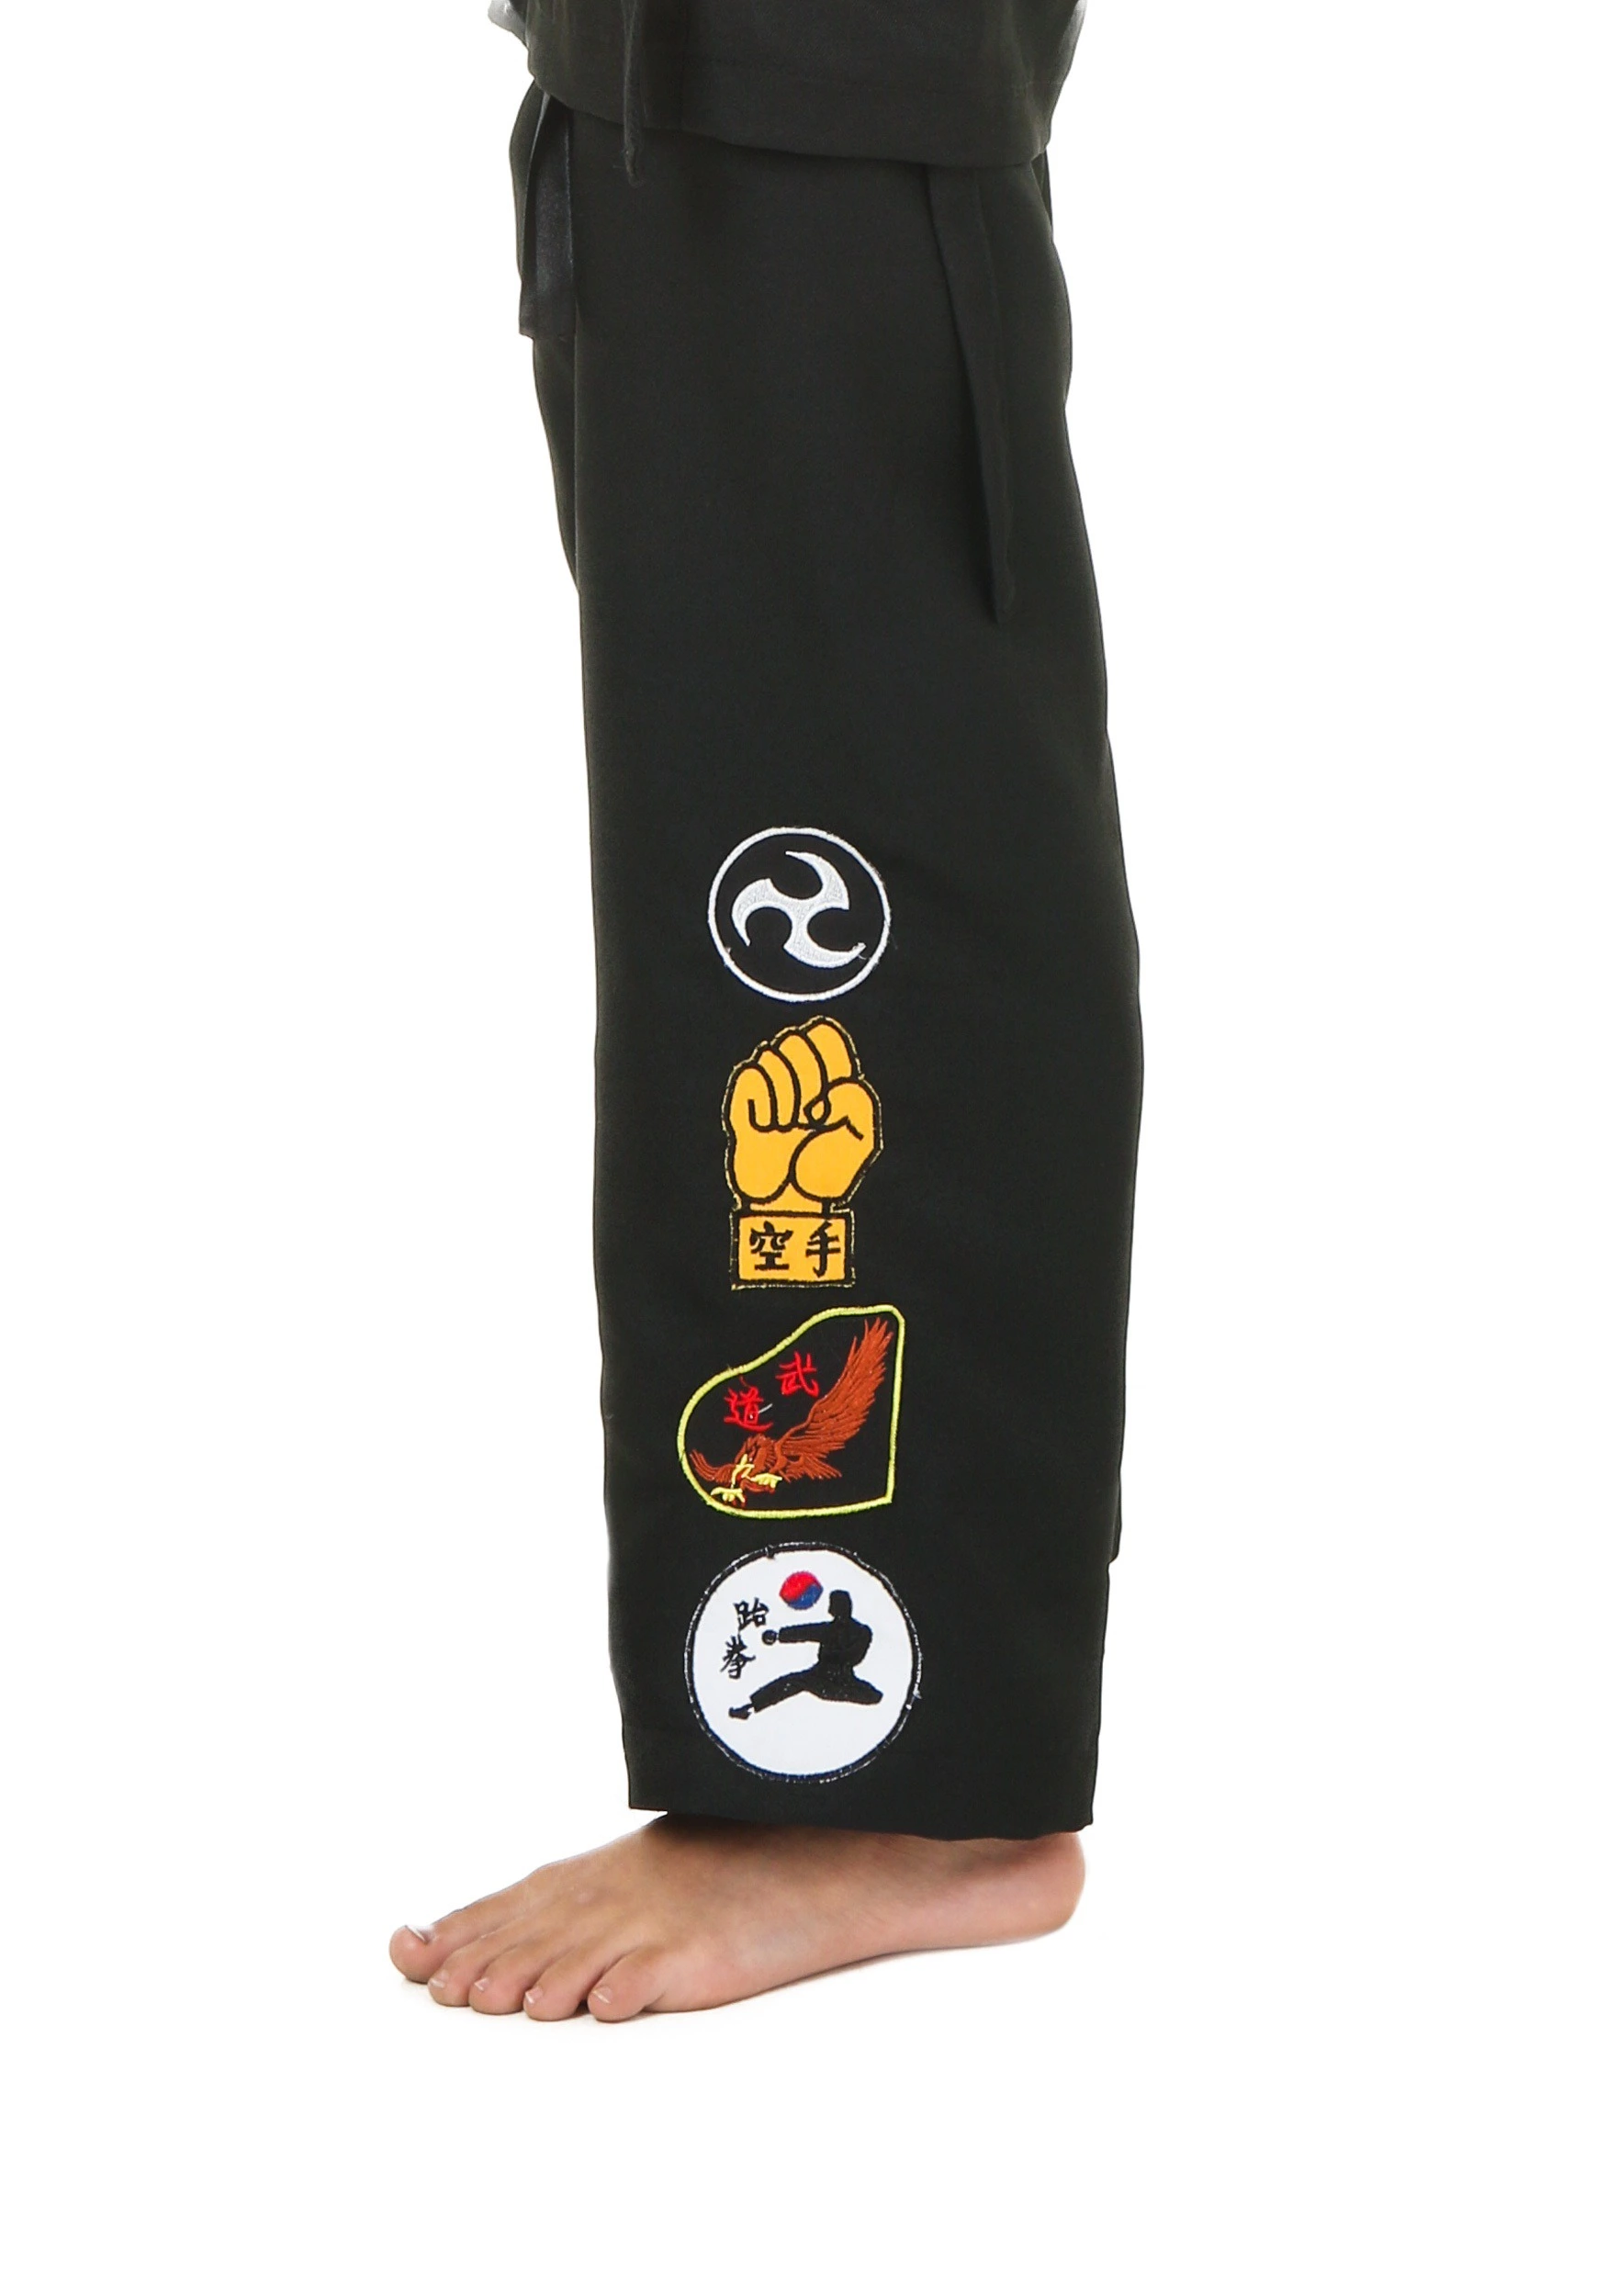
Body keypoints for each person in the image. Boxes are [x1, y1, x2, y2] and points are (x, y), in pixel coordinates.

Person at [390, 0, 1141, 2021]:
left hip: (796, 88)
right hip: (685, 108)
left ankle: (895, 1777)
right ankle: (874, 1766)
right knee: (761, 837)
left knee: (833, 870)